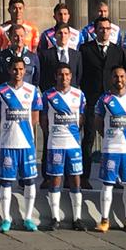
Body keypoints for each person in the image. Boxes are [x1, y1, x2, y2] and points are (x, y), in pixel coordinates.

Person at [0, 57, 43, 233]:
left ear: (25, 71)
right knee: (6, 182)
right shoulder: (0, 91)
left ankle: (28, 218)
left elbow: (35, 118)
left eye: (21, 69)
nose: (18, 72)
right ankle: (6, 218)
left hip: (26, 144)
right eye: (15, 69)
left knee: (29, 182)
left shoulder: (32, 90)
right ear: (9, 70)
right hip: (7, 143)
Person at [94, 66, 126, 233]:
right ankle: (104, 220)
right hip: (110, 149)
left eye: (122, 76)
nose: (119, 80)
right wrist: (107, 137)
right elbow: (98, 123)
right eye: (116, 77)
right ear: (111, 79)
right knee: (107, 185)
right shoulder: (104, 99)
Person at [79, 16, 126, 189]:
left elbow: (121, 74)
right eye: (101, 28)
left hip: (112, 101)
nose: (104, 31)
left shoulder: (117, 51)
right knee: (89, 139)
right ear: (95, 30)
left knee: (115, 139)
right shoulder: (85, 49)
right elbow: (81, 75)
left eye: (107, 29)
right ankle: (84, 177)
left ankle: (116, 176)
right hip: (91, 99)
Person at [40, 64, 86, 231]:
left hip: (73, 144)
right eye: (61, 74)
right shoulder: (47, 95)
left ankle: (77, 218)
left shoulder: (79, 95)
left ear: (71, 76)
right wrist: (51, 134)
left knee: (75, 179)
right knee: (55, 179)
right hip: (55, 144)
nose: (64, 77)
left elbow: (81, 118)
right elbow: (43, 120)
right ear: (55, 76)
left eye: (67, 74)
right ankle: (55, 218)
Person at [0, 23, 41, 88]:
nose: (19, 39)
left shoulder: (33, 57)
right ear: (10, 37)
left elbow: (36, 80)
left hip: (26, 95)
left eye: (22, 36)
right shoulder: (1, 57)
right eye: (16, 36)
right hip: (7, 94)